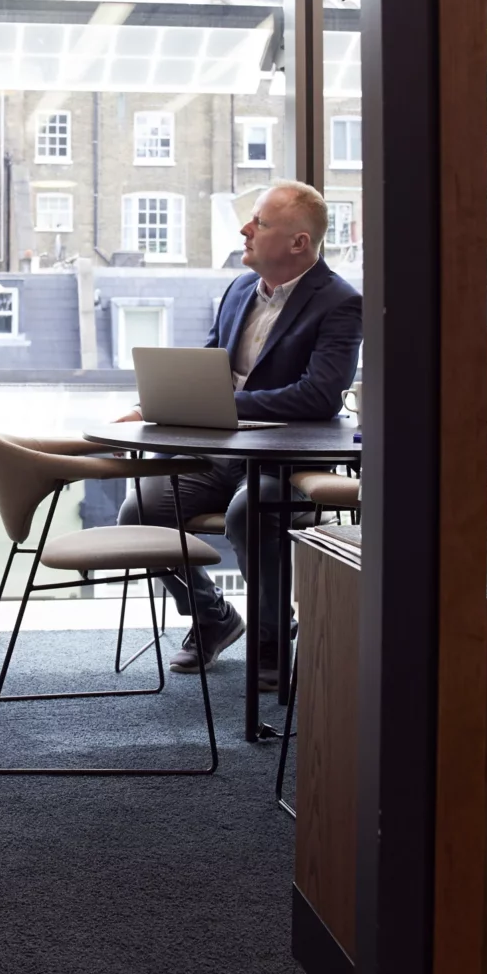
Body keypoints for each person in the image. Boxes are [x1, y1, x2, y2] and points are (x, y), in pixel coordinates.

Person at [116, 180, 360, 689]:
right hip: (222, 454)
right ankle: (212, 616)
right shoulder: (237, 291)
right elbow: (208, 368)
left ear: (298, 243)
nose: (246, 230)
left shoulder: (339, 302)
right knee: (140, 511)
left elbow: (317, 396)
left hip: (287, 463)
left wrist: (224, 406)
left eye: (261, 223)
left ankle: (272, 636)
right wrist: (157, 404)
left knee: (248, 513)